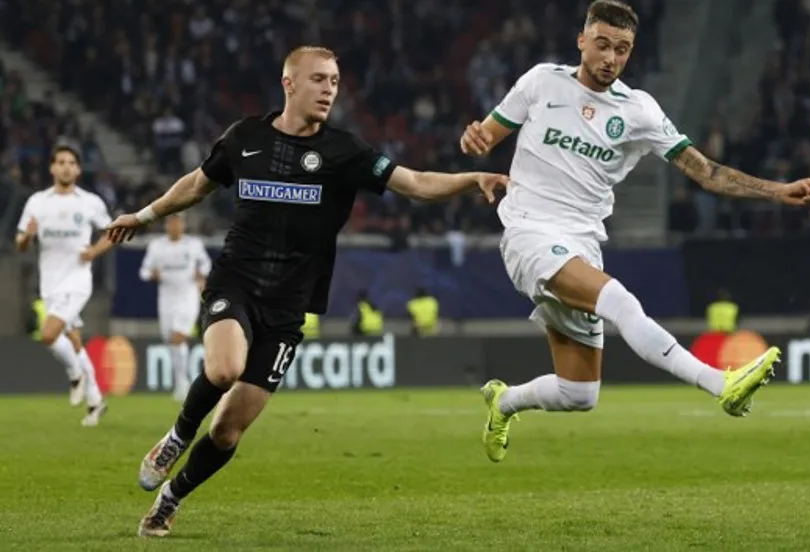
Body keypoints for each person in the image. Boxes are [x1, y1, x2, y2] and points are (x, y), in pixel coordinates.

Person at [106, 46, 508, 538]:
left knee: (230, 429)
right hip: (236, 280)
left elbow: (417, 183)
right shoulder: (245, 138)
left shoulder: (344, 152)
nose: (329, 90)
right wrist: (144, 216)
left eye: (335, 82)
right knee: (225, 367)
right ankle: (174, 437)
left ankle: (171, 499)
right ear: (289, 83)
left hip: (290, 306)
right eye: (318, 79)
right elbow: (196, 185)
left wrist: (474, 180)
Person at [459, 0, 810, 463]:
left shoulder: (639, 111)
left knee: (578, 393)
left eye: (623, 49)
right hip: (529, 233)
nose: (610, 58)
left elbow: (705, 171)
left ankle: (504, 402)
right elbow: (485, 136)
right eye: (602, 45)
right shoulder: (540, 81)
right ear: (582, 41)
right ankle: (721, 383)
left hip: (583, 244)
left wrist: (778, 191)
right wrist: (474, 140)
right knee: (621, 302)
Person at [14, 143, 114, 426]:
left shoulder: (90, 202)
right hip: (51, 284)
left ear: (78, 169)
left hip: (78, 281)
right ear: (52, 168)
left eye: (71, 162)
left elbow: (112, 233)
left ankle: (75, 375)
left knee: (48, 335)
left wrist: (94, 252)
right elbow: (20, 243)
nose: (66, 166)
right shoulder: (38, 202)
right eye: (61, 162)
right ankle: (95, 401)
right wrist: (26, 237)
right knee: (73, 341)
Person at [140, 214, 212, 401]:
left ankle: (182, 384)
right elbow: (144, 271)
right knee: (170, 340)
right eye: (171, 223)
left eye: (178, 222)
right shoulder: (157, 246)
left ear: (183, 225)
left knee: (177, 337)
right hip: (166, 299)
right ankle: (181, 380)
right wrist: (152, 274)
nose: (175, 226)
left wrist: (201, 275)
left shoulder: (193, 245)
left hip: (188, 297)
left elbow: (205, 264)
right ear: (166, 226)